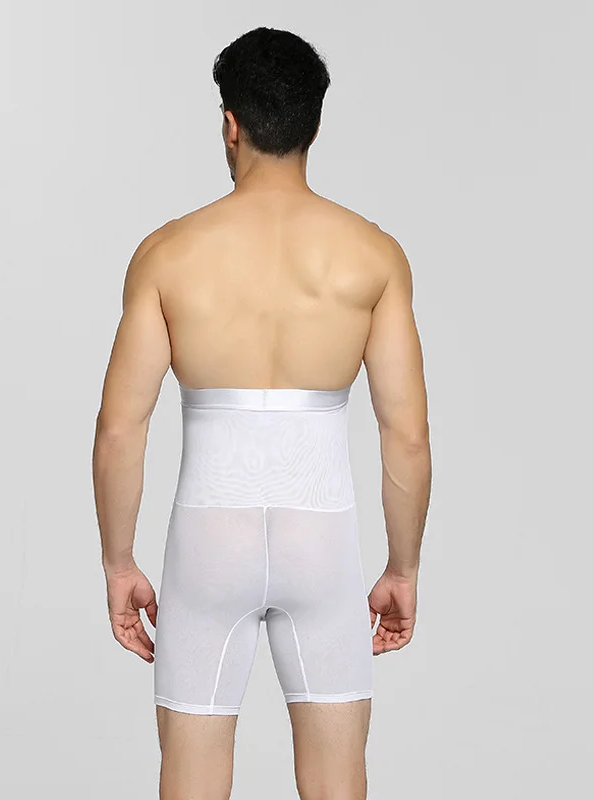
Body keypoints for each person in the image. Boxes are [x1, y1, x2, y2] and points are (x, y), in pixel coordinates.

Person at [92, 26, 432, 800]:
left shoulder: (168, 253)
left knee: (190, 782)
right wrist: (402, 568)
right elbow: (406, 436)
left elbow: (120, 429)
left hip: (208, 542)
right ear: (315, 122)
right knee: (338, 785)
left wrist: (118, 564)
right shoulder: (373, 255)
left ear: (230, 124)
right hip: (324, 541)